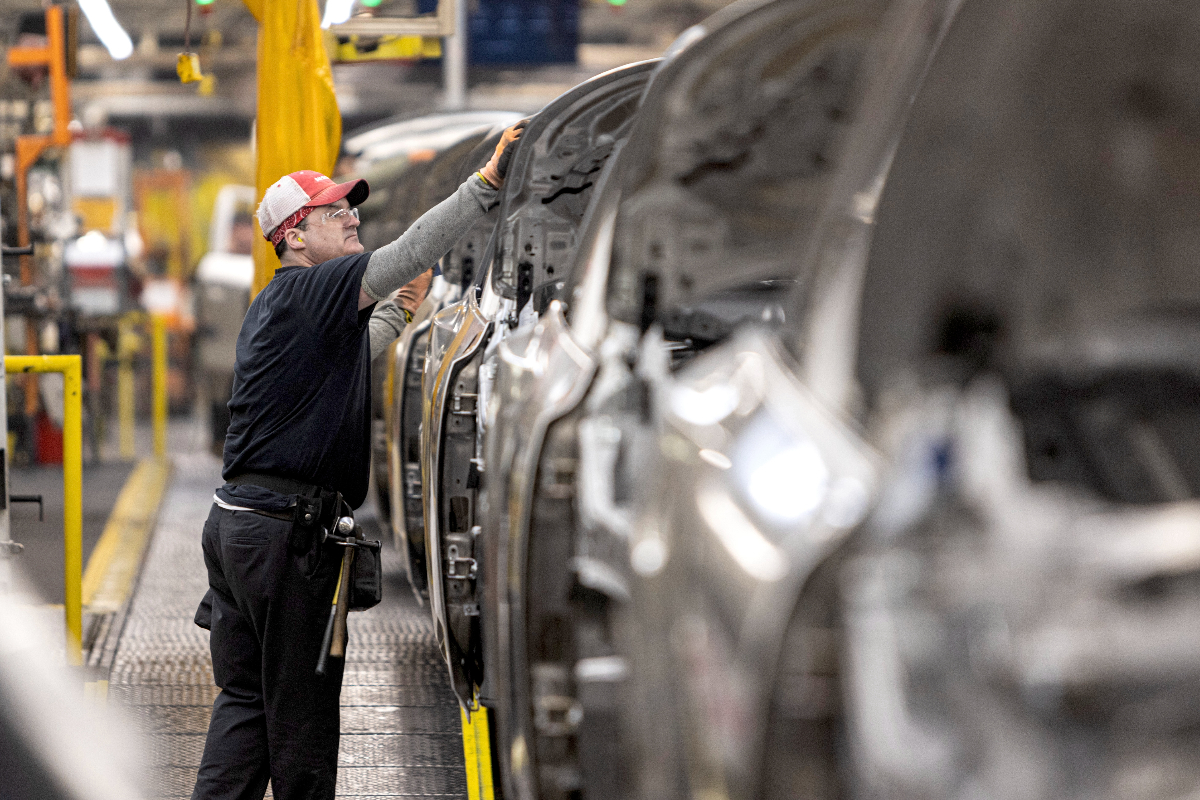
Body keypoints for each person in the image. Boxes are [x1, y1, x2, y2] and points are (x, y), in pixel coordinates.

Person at [191, 121, 526, 800]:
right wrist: (485, 186)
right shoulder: (308, 289)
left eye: (350, 208)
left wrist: (403, 310)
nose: (351, 217)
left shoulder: (288, 308)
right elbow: (406, 251)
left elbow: (355, 355)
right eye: (333, 211)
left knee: (248, 706)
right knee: (304, 729)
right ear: (292, 237)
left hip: (241, 530)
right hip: (283, 542)